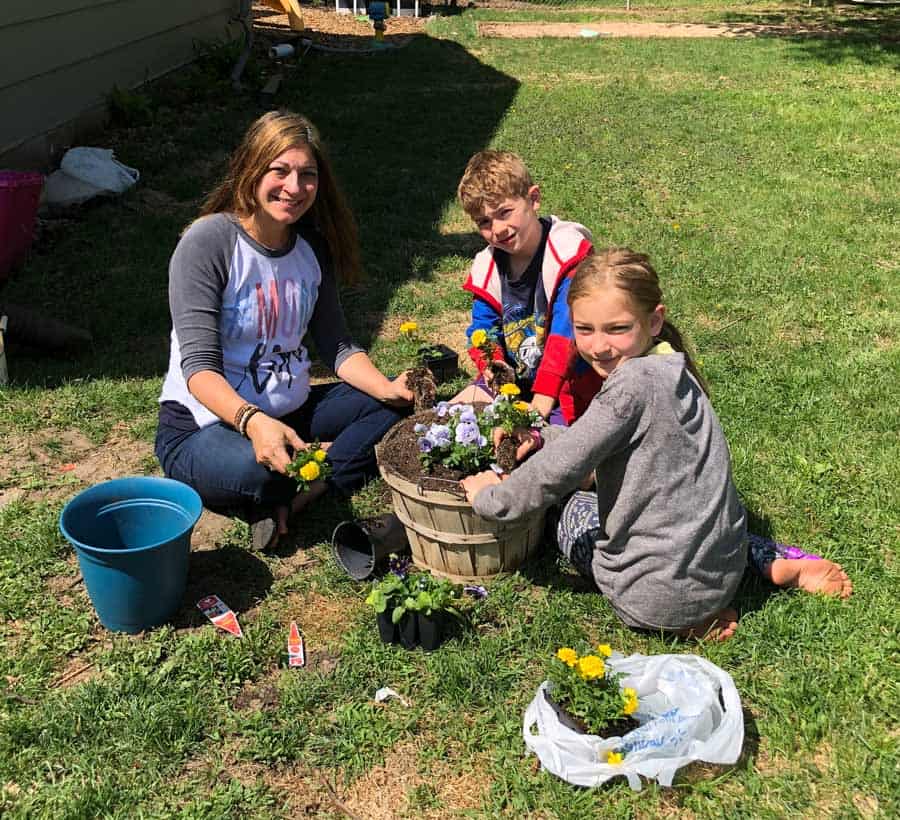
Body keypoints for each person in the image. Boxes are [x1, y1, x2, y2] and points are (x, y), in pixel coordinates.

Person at [461, 248, 851, 640]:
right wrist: (542, 434)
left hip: (653, 598)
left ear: (654, 320)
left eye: (616, 329)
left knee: (566, 510)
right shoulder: (674, 367)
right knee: (684, 511)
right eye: (585, 329)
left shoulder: (628, 390)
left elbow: (553, 474)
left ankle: (687, 619)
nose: (598, 346)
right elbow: (584, 441)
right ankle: (766, 559)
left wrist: (490, 498)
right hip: (722, 565)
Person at [155, 110, 412, 550]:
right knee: (260, 471)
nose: (294, 188)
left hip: (290, 410)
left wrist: (387, 388)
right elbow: (198, 369)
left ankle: (302, 493)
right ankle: (304, 473)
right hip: (206, 425)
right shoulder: (208, 242)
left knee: (393, 410)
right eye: (281, 170)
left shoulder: (311, 246)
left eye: (308, 175)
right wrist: (253, 422)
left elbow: (338, 345)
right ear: (251, 169)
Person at [454, 150, 593, 424]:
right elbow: (483, 330)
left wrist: (540, 402)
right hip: (514, 383)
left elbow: (567, 333)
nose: (498, 229)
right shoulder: (488, 266)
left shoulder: (566, 254)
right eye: (484, 222)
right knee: (449, 416)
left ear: (533, 198)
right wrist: (493, 372)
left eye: (505, 213)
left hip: (567, 387)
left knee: (542, 453)